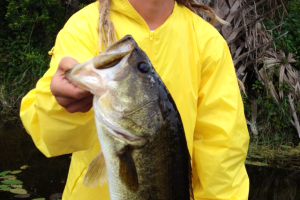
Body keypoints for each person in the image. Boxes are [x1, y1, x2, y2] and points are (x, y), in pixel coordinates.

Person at [20, 0, 250, 199]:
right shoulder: (86, 26)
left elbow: (223, 153)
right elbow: (49, 135)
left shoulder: (208, 44)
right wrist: (61, 105)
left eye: (139, 67)